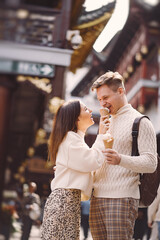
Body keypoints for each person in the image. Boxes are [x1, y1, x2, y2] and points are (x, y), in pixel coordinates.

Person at [89, 71, 157, 240]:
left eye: (106, 98)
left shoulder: (140, 121)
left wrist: (120, 159)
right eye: (99, 100)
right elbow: (95, 156)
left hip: (122, 198)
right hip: (97, 197)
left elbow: (151, 162)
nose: (103, 104)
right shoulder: (105, 122)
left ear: (120, 91)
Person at [41, 100, 109, 240]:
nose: (90, 111)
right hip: (65, 201)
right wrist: (101, 135)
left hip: (67, 201)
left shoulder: (73, 138)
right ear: (76, 117)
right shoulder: (71, 138)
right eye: (85, 109)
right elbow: (92, 161)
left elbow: (88, 163)